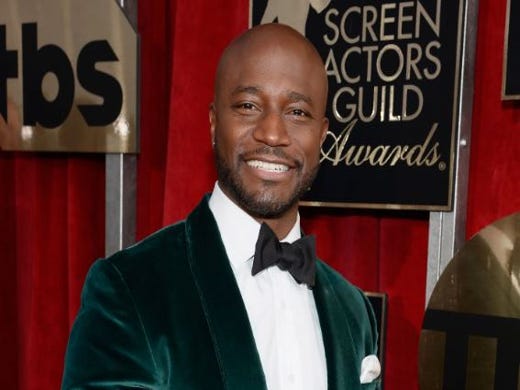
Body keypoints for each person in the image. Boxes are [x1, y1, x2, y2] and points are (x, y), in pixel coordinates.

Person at [62, 23, 380, 390]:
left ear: (322, 135)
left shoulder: (353, 311)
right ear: (214, 123)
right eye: (248, 106)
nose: (273, 133)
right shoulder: (130, 290)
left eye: (297, 112)